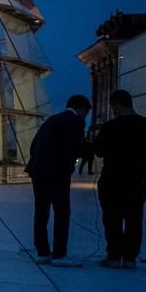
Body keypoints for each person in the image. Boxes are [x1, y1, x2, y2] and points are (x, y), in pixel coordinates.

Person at [92, 89, 146, 268]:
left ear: (116, 105)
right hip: (137, 181)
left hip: (112, 181)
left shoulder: (110, 127)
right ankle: (130, 258)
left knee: (112, 220)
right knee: (134, 221)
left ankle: (114, 255)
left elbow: (99, 150)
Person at [24, 94, 92, 265]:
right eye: (86, 113)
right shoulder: (76, 121)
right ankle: (59, 254)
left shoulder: (50, 120)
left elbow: (34, 145)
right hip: (57, 172)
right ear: (82, 108)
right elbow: (73, 147)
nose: (85, 117)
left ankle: (43, 252)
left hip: (38, 170)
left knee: (41, 211)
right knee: (62, 211)